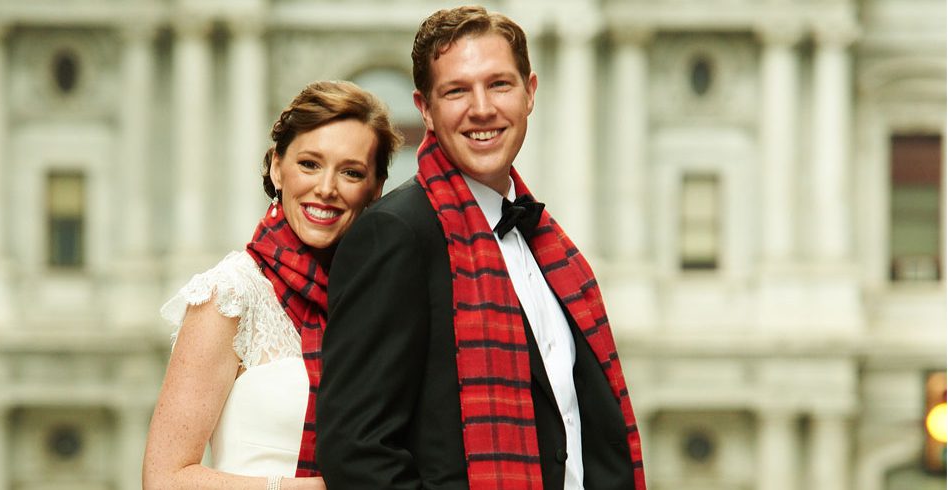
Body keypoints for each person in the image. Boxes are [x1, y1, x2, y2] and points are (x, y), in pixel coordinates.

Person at [316, 6, 645, 490]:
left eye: (499, 84)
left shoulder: (550, 247)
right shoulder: (393, 236)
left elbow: (580, 430)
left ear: (530, 93)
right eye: (456, 91)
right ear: (425, 108)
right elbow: (356, 452)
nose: (482, 108)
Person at [142, 80, 401, 490]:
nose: (327, 188)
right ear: (278, 168)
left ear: (375, 189)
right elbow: (166, 479)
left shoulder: (381, 303)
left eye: (351, 172)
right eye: (310, 164)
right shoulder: (229, 296)